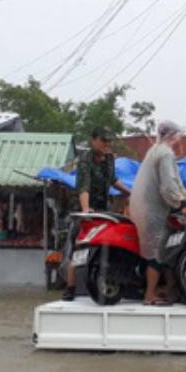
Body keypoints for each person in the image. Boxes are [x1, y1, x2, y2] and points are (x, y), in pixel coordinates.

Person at [130, 120, 186, 305]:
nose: (180, 140)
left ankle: (169, 290)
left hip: (148, 209)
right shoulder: (166, 154)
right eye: (179, 136)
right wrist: (183, 204)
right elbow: (168, 186)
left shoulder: (155, 150)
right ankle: (150, 295)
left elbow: (171, 182)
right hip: (154, 211)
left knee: (164, 251)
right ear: (173, 136)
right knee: (157, 253)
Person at [62, 128, 131, 301]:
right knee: (79, 247)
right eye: (103, 141)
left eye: (109, 141)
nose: (107, 144)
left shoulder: (109, 159)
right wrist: (86, 210)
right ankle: (70, 288)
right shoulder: (85, 160)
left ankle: (111, 278)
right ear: (93, 141)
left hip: (103, 210)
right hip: (85, 211)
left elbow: (113, 180)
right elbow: (83, 186)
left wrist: (130, 192)